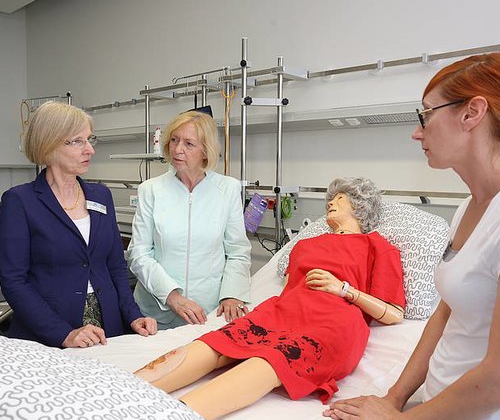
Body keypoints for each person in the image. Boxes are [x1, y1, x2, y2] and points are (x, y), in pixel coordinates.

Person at [324, 53, 500, 420]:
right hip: (437, 405)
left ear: (471, 113)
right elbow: (446, 310)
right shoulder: (470, 207)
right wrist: (394, 399)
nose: (417, 132)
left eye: (427, 114)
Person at [134, 177, 406, 419]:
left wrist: (345, 289)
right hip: (283, 311)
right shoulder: (305, 244)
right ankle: (120, 390)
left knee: (273, 359)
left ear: (359, 205)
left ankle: (171, 414)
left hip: (333, 322)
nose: (331, 203)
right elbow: (290, 288)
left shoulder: (377, 246)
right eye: (330, 199)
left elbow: (394, 313)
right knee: (216, 343)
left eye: (340, 198)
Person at [0, 101, 157, 348]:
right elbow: (14, 282)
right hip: (49, 331)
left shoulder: (101, 196)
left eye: (90, 139)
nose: (90, 150)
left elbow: (115, 267)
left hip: (108, 326)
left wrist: (132, 315)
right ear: (49, 144)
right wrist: (63, 333)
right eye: (77, 141)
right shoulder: (20, 201)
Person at [128, 110, 251, 330]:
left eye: (189, 144)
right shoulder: (151, 190)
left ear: (206, 151)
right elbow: (139, 254)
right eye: (174, 140)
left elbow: (237, 251)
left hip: (208, 313)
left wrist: (231, 294)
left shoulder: (227, 189)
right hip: (157, 312)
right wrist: (172, 296)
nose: (177, 149)